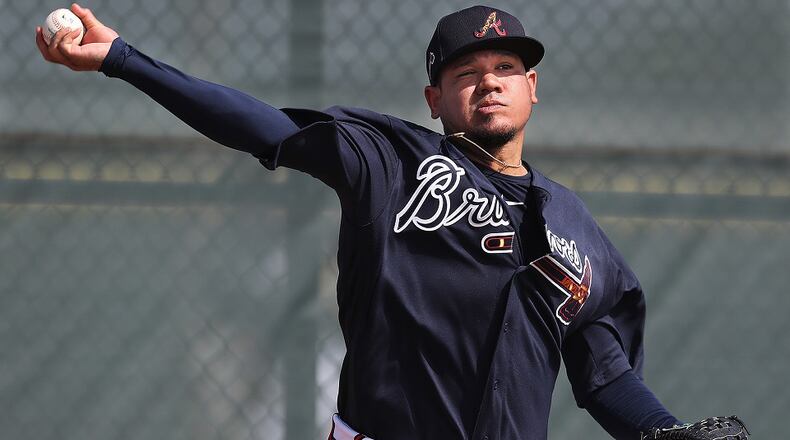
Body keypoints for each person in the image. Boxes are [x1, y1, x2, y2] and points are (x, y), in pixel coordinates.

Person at [36, 4, 748, 440]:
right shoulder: (390, 160)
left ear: (533, 89)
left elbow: (603, 376)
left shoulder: (575, 227)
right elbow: (264, 127)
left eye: (506, 66)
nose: (490, 79)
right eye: (467, 72)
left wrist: (662, 432)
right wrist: (125, 61)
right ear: (434, 98)